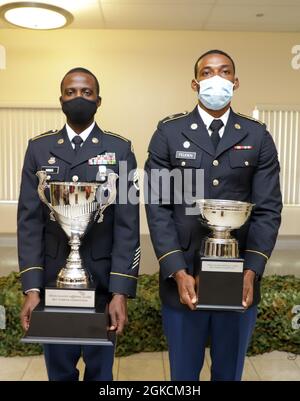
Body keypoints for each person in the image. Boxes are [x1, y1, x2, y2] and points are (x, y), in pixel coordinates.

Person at [144, 50, 282, 381]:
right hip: (184, 278)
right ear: (195, 83)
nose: (216, 78)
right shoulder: (169, 133)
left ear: (235, 82)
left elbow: (267, 209)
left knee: (228, 373)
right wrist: (177, 271)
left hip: (239, 282)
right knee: (183, 376)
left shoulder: (257, 135)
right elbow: (157, 206)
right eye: (207, 72)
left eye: (224, 72)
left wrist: (251, 271)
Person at [18, 67, 140, 381]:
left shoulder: (119, 149)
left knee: (101, 375)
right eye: (71, 92)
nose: (78, 98)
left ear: (99, 100)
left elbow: (127, 224)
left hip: (102, 285)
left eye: (86, 92)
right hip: (52, 284)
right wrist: (31, 289)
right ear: (61, 99)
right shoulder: (39, 148)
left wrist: (120, 291)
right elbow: (29, 221)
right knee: (59, 374)